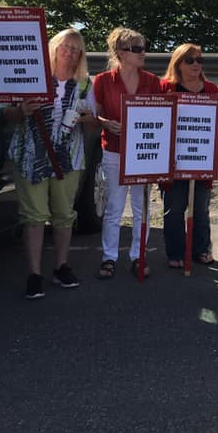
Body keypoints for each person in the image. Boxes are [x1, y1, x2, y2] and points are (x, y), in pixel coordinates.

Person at [6, 28, 96, 299]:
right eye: (65, 46)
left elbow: (93, 124)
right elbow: (8, 115)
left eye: (75, 49)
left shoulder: (85, 84)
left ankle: (61, 266)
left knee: (64, 214)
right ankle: (34, 274)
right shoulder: (30, 78)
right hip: (30, 156)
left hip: (68, 158)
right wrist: (22, 111)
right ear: (54, 48)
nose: (69, 53)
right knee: (33, 217)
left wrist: (86, 118)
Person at [93, 27, 162, 279]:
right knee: (114, 206)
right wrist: (105, 123)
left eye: (144, 47)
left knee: (141, 206)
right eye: (137, 49)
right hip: (113, 150)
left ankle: (138, 255)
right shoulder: (102, 80)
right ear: (120, 53)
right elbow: (95, 113)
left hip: (144, 153)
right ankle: (109, 257)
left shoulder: (153, 81)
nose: (143, 53)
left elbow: (162, 114)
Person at [159, 43, 218, 268]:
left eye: (200, 60)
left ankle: (201, 249)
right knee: (174, 209)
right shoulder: (165, 87)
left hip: (201, 159)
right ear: (178, 63)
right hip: (173, 161)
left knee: (201, 208)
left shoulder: (210, 89)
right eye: (190, 60)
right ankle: (176, 253)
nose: (196, 65)